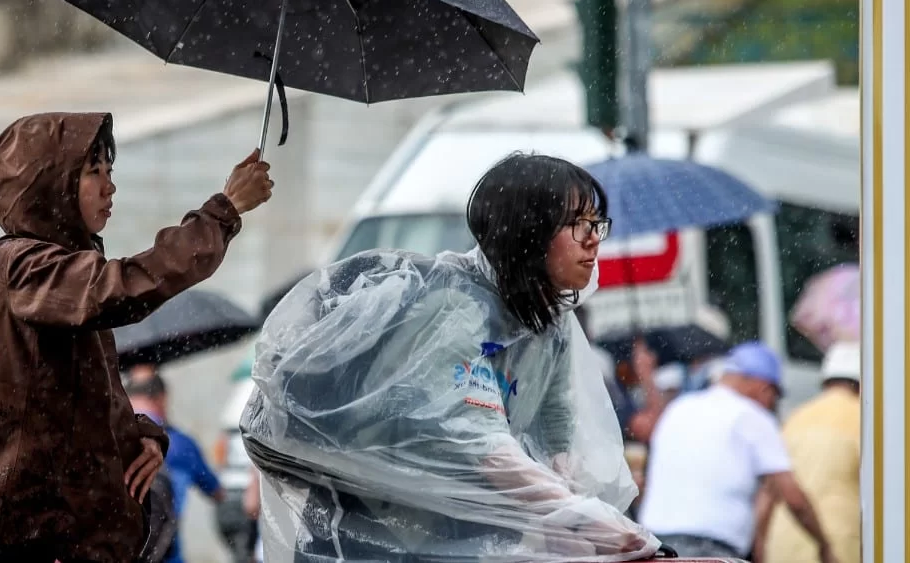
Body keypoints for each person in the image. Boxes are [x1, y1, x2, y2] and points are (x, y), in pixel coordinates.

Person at [241, 152, 660, 562]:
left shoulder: (551, 326)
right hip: (367, 543)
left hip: (453, 541)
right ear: (528, 231)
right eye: (576, 223)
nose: (593, 238)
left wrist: (578, 527)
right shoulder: (452, 309)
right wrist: (587, 522)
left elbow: (555, 444)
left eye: (595, 224)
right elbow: (481, 446)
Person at [0, 112, 273, 563]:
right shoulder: (26, 267)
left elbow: (75, 402)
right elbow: (128, 286)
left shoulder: (60, 275)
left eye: (109, 171)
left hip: (48, 536)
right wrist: (226, 209)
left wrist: (144, 437)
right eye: (93, 172)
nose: (109, 186)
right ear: (51, 187)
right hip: (10, 539)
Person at [638, 342, 837, 563]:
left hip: (656, 546)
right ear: (764, 387)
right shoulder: (753, 417)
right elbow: (792, 496)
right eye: (775, 395)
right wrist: (824, 544)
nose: (773, 403)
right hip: (712, 549)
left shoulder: (679, 407)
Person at [760, 341, 861, 563]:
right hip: (838, 546)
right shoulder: (865, 420)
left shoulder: (795, 418)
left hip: (782, 546)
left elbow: (768, 494)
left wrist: (760, 548)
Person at [124, 368, 226, 563]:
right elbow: (216, 492)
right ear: (161, 397)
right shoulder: (179, 442)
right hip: (164, 552)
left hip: (116, 551)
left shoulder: (106, 439)